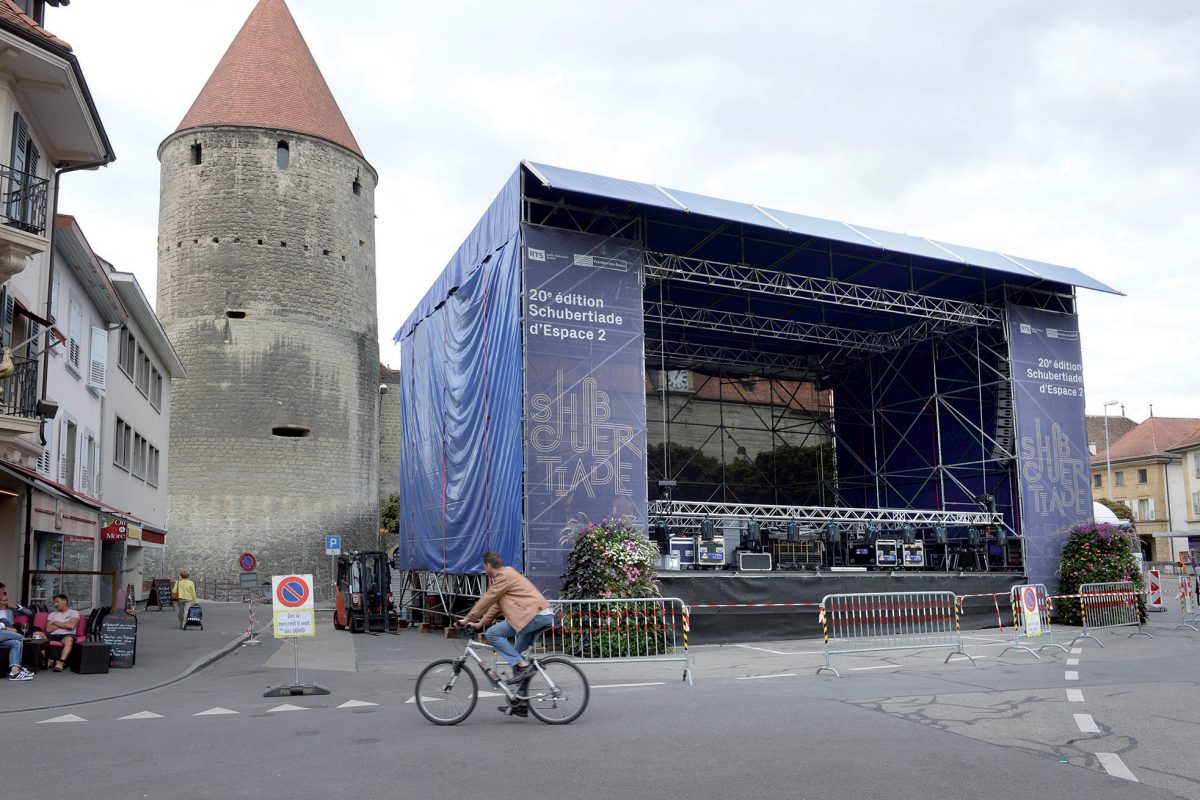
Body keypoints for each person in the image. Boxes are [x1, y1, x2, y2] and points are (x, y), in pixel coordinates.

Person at [459, 552, 554, 717]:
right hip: (538, 615)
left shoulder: (504, 576)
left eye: (484, 566)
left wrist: (467, 618)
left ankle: (522, 667)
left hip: (534, 616)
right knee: (517, 659)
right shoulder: (508, 576)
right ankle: (520, 703)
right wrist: (479, 623)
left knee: (493, 634)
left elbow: (487, 599)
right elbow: (496, 605)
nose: (484, 569)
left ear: (488, 565)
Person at [0, 583, 35, 681]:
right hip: (4, 631)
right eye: (2, 592)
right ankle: (17, 670)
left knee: (15, 643)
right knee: (19, 637)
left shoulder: (9, 610)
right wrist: (7, 628)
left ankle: (14, 670)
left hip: (4, 632)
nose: (3, 594)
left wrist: (15, 606)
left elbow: (29, 613)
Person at [45, 593, 80, 672]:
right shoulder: (52, 614)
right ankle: (48, 659)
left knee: (69, 640)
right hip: (52, 635)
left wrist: (55, 623)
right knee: (37, 635)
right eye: (54, 602)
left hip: (66, 635)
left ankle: (61, 662)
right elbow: (48, 629)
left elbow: (71, 626)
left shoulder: (73, 612)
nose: (55, 604)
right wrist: (65, 623)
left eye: (57, 602)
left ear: (65, 601)